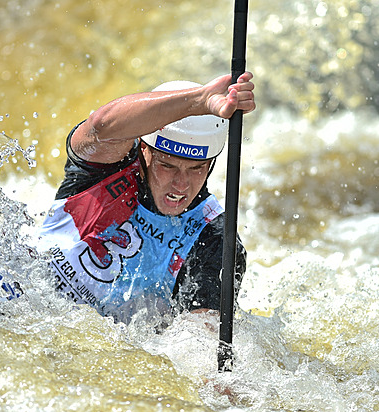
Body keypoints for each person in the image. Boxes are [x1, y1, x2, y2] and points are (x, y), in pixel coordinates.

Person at [37, 72, 256, 326]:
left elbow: (199, 341)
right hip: (28, 300)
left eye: (196, 168)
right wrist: (201, 100)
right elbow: (101, 125)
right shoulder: (106, 168)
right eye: (168, 166)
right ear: (143, 150)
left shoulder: (215, 238)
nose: (181, 184)